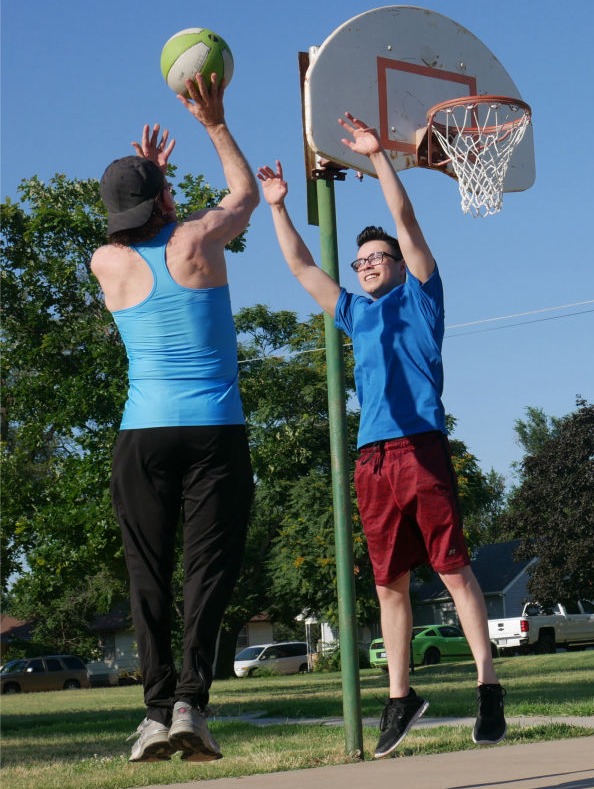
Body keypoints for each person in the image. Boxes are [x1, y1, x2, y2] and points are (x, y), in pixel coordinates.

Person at [257, 112, 506, 759]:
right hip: (372, 460)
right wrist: (279, 207)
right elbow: (302, 268)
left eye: (375, 257)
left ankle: (487, 683)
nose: (365, 263)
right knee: (388, 585)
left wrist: (377, 157)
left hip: (420, 446)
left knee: (452, 568)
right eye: (360, 259)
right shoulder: (355, 314)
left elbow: (408, 223)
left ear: (398, 264)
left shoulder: (422, 298)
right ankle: (401, 695)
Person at [91, 72, 259, 763]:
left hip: (145, 436)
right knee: (207, 574)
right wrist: (214, 123)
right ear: (167, 200)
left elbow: (143, 232)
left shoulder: (106, 261)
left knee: (147, 573)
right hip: (216, 432)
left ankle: (155, 714)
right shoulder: (198, 242)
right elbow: (244, 196)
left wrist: (150, 185)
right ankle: (192, 701)